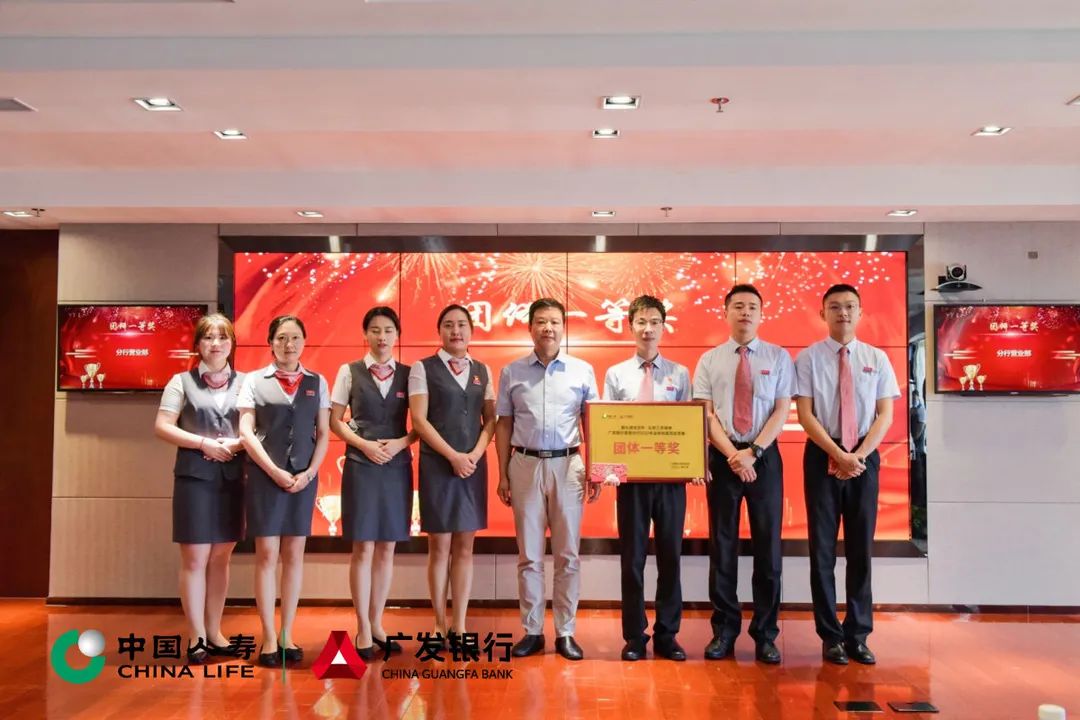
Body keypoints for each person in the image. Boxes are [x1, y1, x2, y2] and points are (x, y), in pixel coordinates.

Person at [794, 283, 899, 666]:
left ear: (860, 312)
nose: (843, 313)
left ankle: (858, 634)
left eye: (850, 306)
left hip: (864, 458)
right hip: (823, 453)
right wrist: (838, 453)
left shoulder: (876, 358)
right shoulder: (808, 358)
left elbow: (885, 414)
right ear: (822, 313)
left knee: (860, 550)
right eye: (835, 307)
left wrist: (858, 456)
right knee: (822, 551)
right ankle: (830, 636)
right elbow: (805, 415)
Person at [693, 284, 795, 664]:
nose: (745, 312)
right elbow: (705, 413)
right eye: (738, 306)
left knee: (768, 548)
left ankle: (766, 634)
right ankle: (724, 630)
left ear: (762, 314)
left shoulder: (778, 357)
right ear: (725, 313)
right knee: (723, 546)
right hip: (724, 457)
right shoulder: (709, 360)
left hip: (763, 458)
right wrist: (734, 455)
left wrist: (753, 453)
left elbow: (782, 410)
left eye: (753, 306)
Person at [495, 298, 601, 661]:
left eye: (554, 321)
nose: (548, 328)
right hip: (524, 464)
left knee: (568, 554)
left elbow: (592, 423)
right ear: (530, 327)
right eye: (541, 321)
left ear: (563, 327)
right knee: (529, 555)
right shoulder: (512, 371)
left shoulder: (582, 370)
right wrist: (502, 473)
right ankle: (533, 630)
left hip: (568, 464)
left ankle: (566, 632)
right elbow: (504, 424)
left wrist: (595, 469)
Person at [600, 295, 695, 662]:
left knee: (670, 556)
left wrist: (692, 465)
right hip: (631, 482)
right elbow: (606, 425)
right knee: (633, 559)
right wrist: (607, 469)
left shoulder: (680, 374)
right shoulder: (616, 374)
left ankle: (668, 635)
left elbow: (689, 426)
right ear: (630, 326)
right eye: (641, 321)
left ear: (663, 326)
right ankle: (634, 636)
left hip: (670, 482)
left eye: (655, 321)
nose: (648, 328)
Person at [237, 314, 331, 667]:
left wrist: (309, 474)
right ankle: (267, 636)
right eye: (281, 338)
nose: (288, 344)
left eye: (294, 338)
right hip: (266, 477)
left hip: (303, 479)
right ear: (271, 343)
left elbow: (324, 433)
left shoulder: (317, 382)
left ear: (304, 342)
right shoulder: (253, 381)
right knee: (266, 555)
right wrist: (274, 471)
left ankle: (287, 633)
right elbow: (246, 432)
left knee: (294, 555)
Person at [154, 313, 246, 664]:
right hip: (194, 480)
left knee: (221, 557)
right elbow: (163, 426)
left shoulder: (247, 383)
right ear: (197, 345)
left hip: (233, 480)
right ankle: (196, 636)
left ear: (232, 343)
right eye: (208, 337)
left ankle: (215, 631)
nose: (216, 343)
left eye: (223, 337)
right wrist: (202, 443)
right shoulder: (180, 382)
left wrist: (237, 444)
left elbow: (257, 430)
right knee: (195, 558)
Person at [330, 306, 417, 661]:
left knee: (387, 548)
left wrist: (401, 443)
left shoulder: (411, 375)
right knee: (363, 547)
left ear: (397, 335)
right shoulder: (348, 372)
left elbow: (422, 424)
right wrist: (364, 445)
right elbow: (335, 421)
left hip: (397, 466)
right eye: (375, 330)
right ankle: (362, 627)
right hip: (361, 465)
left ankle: (378, 623)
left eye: (388, 331)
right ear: (365, 334)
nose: (382, 337)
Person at [408, 304, 496, 649]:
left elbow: (490, 420)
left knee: (464, 547)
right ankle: (438, 622)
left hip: (472, 467)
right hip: (438, 466)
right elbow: (419, 421)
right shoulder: (423, 368)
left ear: (471, 330)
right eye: (448, 325)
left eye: (461, 325)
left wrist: (473, 455)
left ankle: (459, 624)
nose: (455, 331)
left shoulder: (483, 370)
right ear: (439, 331)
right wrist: (453, 456)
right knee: (439, 546)